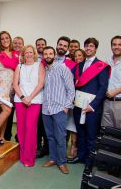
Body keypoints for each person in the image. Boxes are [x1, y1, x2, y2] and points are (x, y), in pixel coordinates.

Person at [70, 38, 110, 173]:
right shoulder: (79, 65)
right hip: (78, 105)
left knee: (91, 135)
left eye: (91, 46)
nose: (88, 48)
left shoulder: (101, 66)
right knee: (80, 132)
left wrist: (92, 105)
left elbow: (103, 88)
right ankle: (80, 157)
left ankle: (90, 162)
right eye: (86, 46)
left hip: (92, 108)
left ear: (95, 48)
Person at [42, 46, 75, 174]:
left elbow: (71, 89)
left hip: (59, 109)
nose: (48, 55)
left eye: (50, 53)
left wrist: (66, 107)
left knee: (60, 137)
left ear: (54, 55)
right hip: (46, 109)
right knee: (50, 136)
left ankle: (62, 162)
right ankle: (53, 158)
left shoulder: (62, 68)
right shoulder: (44, 70)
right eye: (45, 54)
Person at [13, 45, 45, 166]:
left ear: (34, 54)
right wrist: (22, 97)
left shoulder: (39, 65)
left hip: (35, 101)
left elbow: (41, 83)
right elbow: (15, 84)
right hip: (20, 100)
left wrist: (30, 97)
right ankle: (22, 155)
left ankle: (29, 158)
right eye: (26, 52)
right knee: (21, 129)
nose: (29, 54)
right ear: (23, 54)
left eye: (31, 52)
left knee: (30, 128)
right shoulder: (19, 66)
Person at [0, 31, 19, 144]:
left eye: (7, 38)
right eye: (2, 39)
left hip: (10, 87)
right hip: (0, 85)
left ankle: (2, 136)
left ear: (10, 39)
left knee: (7, 112)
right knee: (7, 110)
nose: (5, 40)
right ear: (0, 41)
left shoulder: (15, 54)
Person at [66, 49, 86, 160]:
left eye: (80, 55)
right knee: (69, 125)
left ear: (84, 57)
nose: (78, 57)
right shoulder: (73, 68)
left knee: (75, 126)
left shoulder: (86, 69)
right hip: (70, 100)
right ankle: (67, 147)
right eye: (76, 56)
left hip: (81, 101)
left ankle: (74, 148)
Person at [4, 36, 24, 141]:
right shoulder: (9, 55)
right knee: (9, 113)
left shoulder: (26, 57)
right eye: (15, 43)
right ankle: (7, 136)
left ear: (23, 45)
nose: (17, 45)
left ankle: (19, 137)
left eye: (19, 43)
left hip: (22, 91)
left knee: (20, 116)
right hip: (10, 89)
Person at [35, 37, 48, 158]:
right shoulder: (33, 59)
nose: (40, 46)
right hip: (36, 96)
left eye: (42, 44)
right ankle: (37, 145)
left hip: (47, 96)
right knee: (37, 123)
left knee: (45, 124)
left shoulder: (48, 59)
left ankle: (46, 147)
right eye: (38, 44)